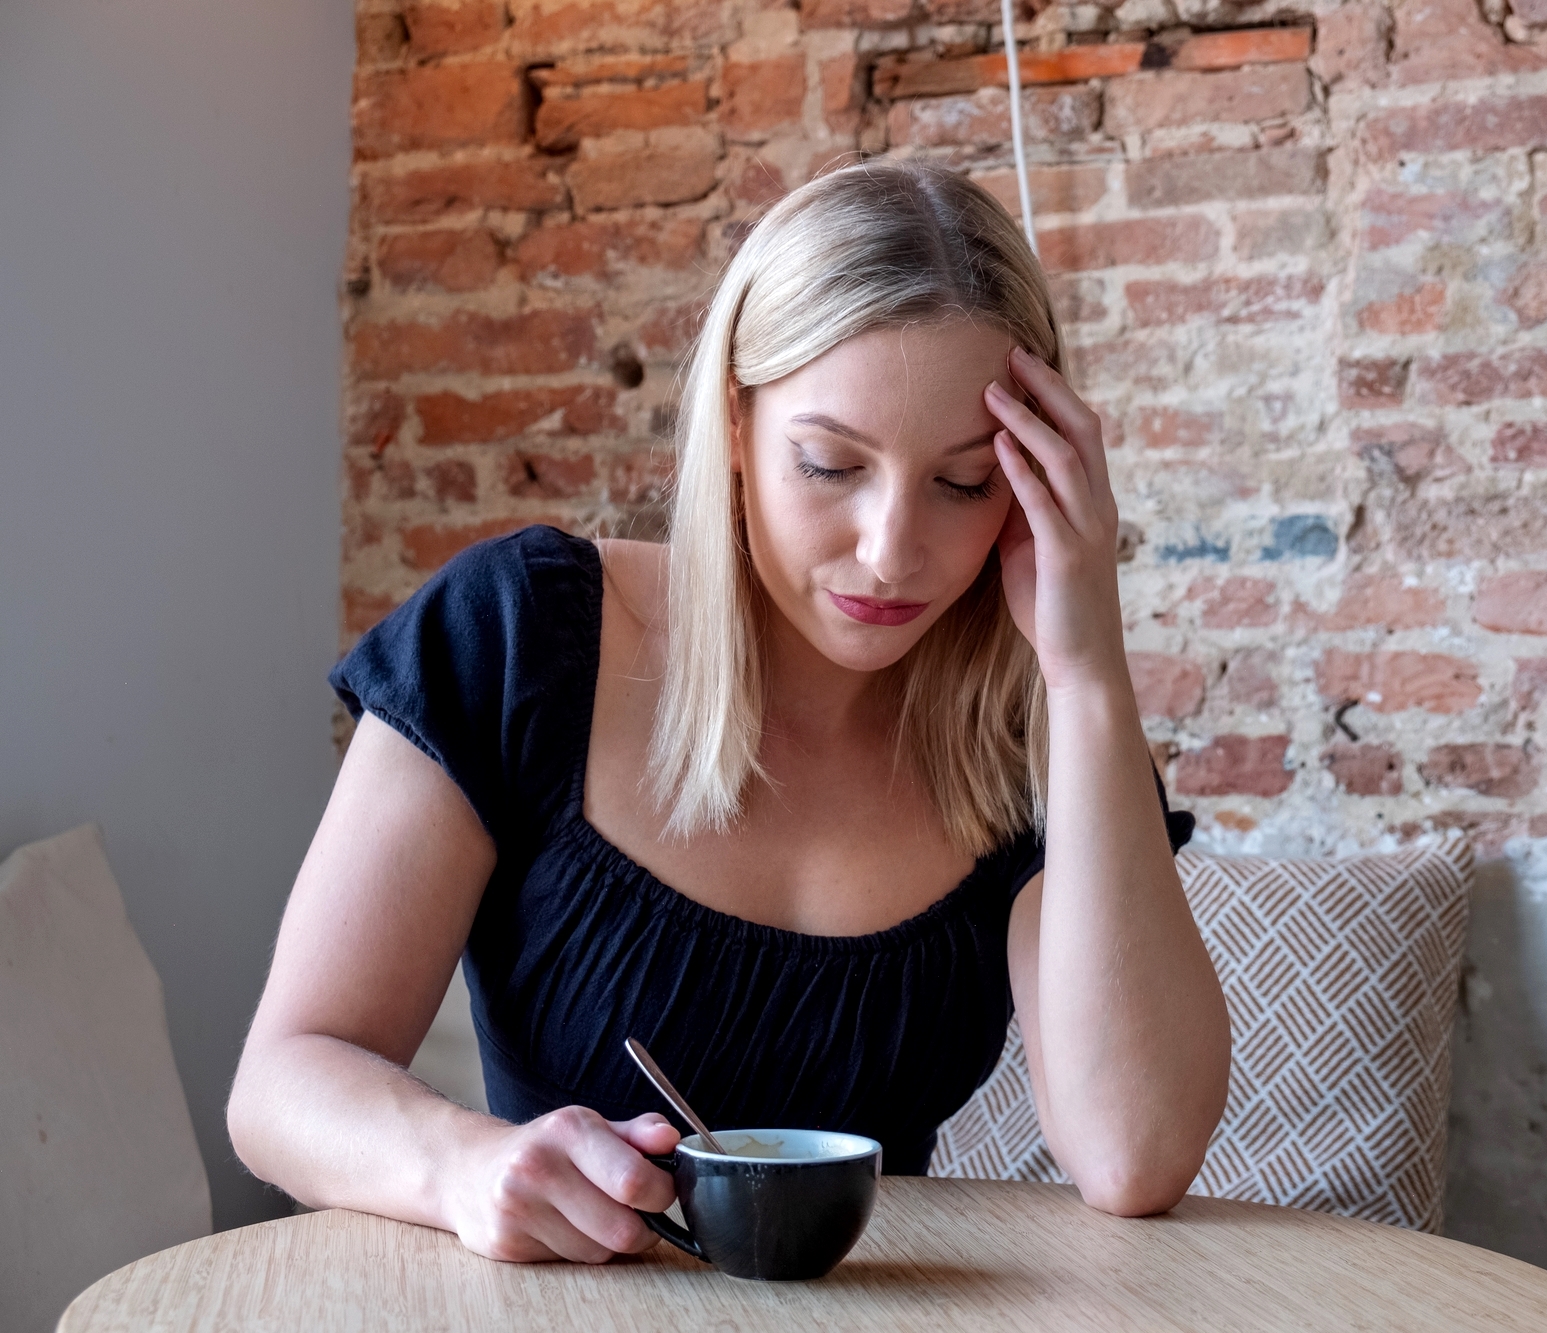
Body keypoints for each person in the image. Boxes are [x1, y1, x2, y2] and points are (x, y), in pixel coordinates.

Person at [227, 160, 1230, 1264]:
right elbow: (282, 1079)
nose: (892, 553)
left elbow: (1134, 1153)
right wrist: (462, 1164)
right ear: (738, 428)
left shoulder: (1032, 723)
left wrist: (1086, 677)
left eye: (962, 483)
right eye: (830, 464)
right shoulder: (518, 636)